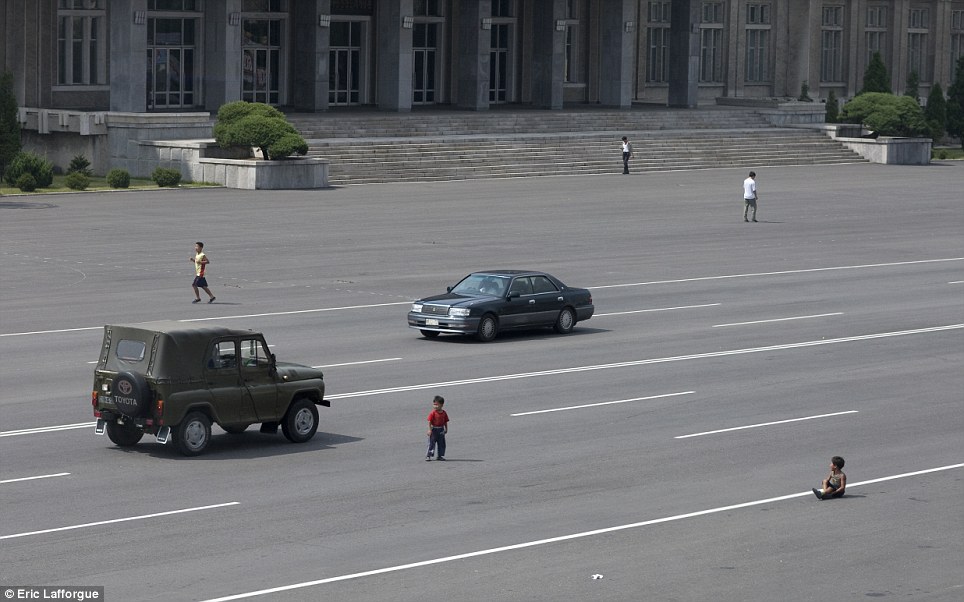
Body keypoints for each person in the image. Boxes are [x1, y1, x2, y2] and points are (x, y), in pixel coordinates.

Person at [425, 395, 450, 461]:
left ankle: (440, 456)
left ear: (442, 405)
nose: (435, 406)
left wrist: (446, 429)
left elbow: (445, 421)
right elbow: (429, 422)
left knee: (441, 443)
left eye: (437, 405)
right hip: (434, 430)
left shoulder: (444, 413)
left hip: (441, 429)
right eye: (434, 405)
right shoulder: (433, 413)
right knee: (431, 443)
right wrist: (429, 430)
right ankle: (428, 456)